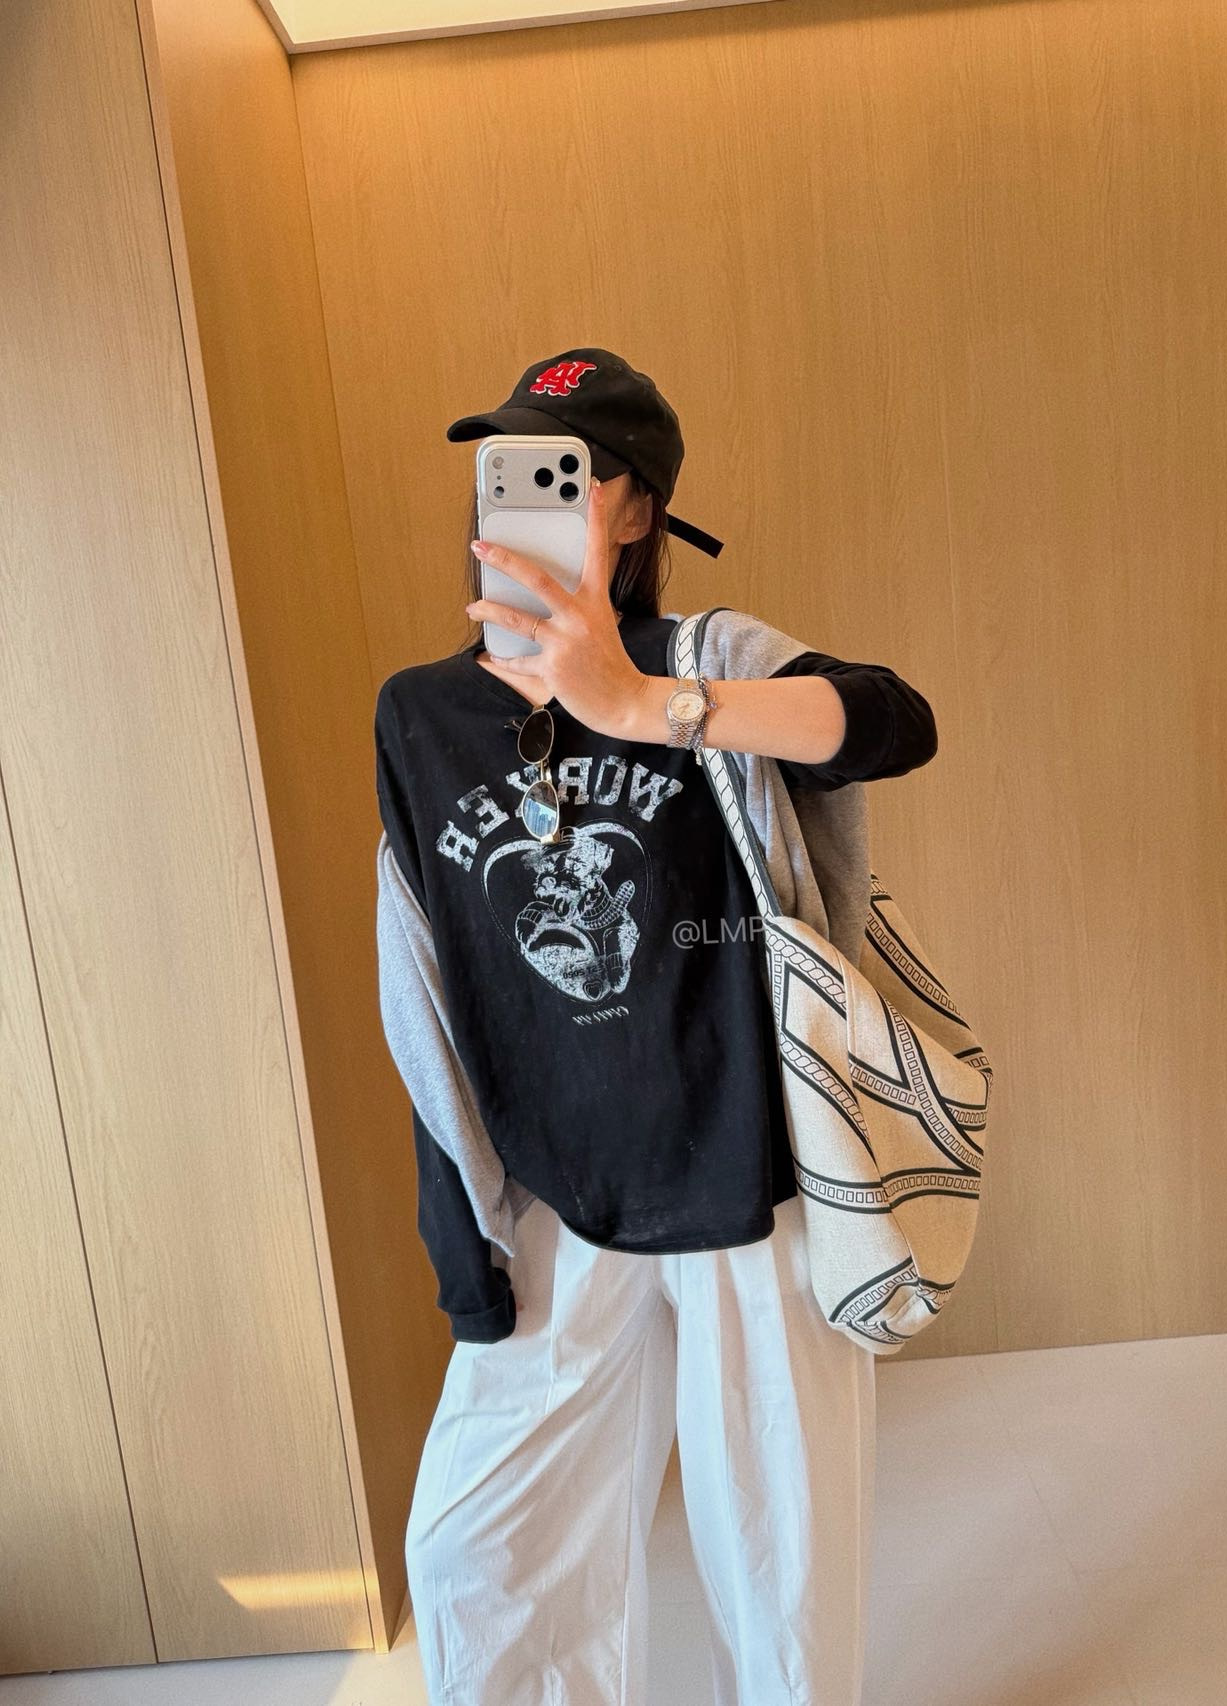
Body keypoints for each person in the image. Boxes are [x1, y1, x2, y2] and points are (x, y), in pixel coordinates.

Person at [375, 348, 938, 1706]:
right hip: (556, 1194)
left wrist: (643, 707)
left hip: (750, 1178)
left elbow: (895, 719)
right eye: (505, 464)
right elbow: (422, 979)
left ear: (636, 510)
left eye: (566, 472)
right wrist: (460, 1226)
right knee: (476, 1552)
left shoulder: (710, 664)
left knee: (781, 1564)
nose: (518, 493)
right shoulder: (422, 714)